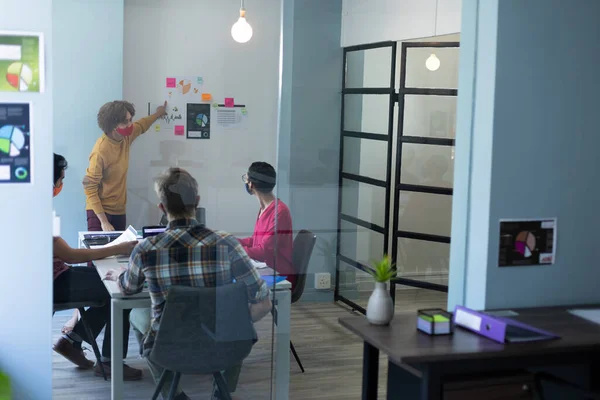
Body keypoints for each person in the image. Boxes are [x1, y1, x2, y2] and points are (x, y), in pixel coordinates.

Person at [104, 168, 272, 400]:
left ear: (162, 208)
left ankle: (174, 394)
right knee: (236, 324)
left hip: (169, 345)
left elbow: (128, 289)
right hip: (222, 343)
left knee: (136, 316)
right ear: (198, 202)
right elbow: (261, 298)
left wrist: (119, 275)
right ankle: (222, 392)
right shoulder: (227, 243)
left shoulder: (146, 249)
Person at [62, 100, 168, 335]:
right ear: (113, 125)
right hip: (99, 212)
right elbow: (89, 188)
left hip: (119, 210)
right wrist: (103, 221)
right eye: (125, 121)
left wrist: (159, 113)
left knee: (116, 269)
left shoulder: (127, 137)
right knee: (97, 273)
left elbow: (143, 124)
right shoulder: (101, 150)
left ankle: (78, 330)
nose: (131, 124)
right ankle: (76, 325)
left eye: (130, 119)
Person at [52, 153, 142, 380]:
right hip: (55, 283)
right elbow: (70, 256)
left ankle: (72, 341)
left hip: (57, 274)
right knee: (120, 290)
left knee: (107, 284)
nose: (61, 185)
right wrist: (117, 248)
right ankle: (111, 362)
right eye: (60, 180)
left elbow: (63, 254)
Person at [239, 162, 296, 288]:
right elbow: (256, 241)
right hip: (265, 268)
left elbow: (264, 251)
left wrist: (236, 250)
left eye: (246, 179)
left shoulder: (279, 212)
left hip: (279, 274)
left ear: (251, 184)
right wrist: (233, 241)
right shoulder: (264, 208)